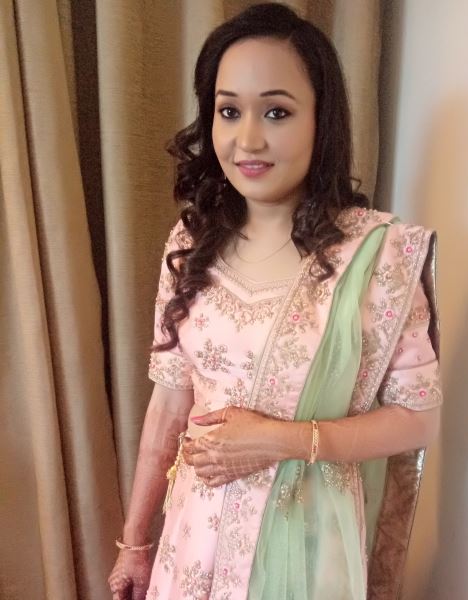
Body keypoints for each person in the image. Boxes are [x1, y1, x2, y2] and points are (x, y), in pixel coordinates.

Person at [108, 3, 442, 599]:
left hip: (307, 546)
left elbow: (419, 419)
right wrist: (135, 542)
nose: (248, 139)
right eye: (229, 111)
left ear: (321, 119)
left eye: (277, 112)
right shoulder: (192, 243)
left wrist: (282, 440)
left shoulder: (378, 255)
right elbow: (168, 404)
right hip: (193, 539)